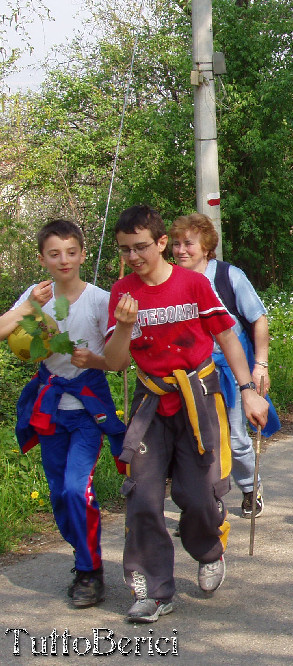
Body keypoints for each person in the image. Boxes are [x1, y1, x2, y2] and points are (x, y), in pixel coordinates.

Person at [104, 205, 269, 623]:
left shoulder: (193, 284)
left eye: (141, 247)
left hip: (199, 395)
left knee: (196, 496)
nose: (134, 257)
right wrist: (124, 327)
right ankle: (154, 590)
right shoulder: (123, 292)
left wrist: (249, 390)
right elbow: (115, 363)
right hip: (151, 400)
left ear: (161, 243)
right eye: (125, 250)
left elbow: (227, 336)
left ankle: (209, 551)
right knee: (141, 494)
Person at [3, 219, 126, 609]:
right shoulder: (36, 296)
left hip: (88, 411)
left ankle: (91, 570)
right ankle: (82, 557)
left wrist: (96, 360)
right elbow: (6, 329)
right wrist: (28, 307)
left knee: (77, 488)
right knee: (59, 495)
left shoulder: (99, 299)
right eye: (54, 254)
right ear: (42, 258)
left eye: (71, 252)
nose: (64, 260)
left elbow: (120, 360)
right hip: (50, 411)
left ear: (83, 254)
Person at [170, 213, 281, 520]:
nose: (181, 250)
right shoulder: (170, 280)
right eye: (176, 244)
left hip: (230, 367)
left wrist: (260, 365)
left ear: (206, 246)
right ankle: (205, 502)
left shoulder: (228, 276)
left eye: (188, 243)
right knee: (196, 438)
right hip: (191, 370)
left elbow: (258, 319)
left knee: (234, 437)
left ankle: (249, 486)